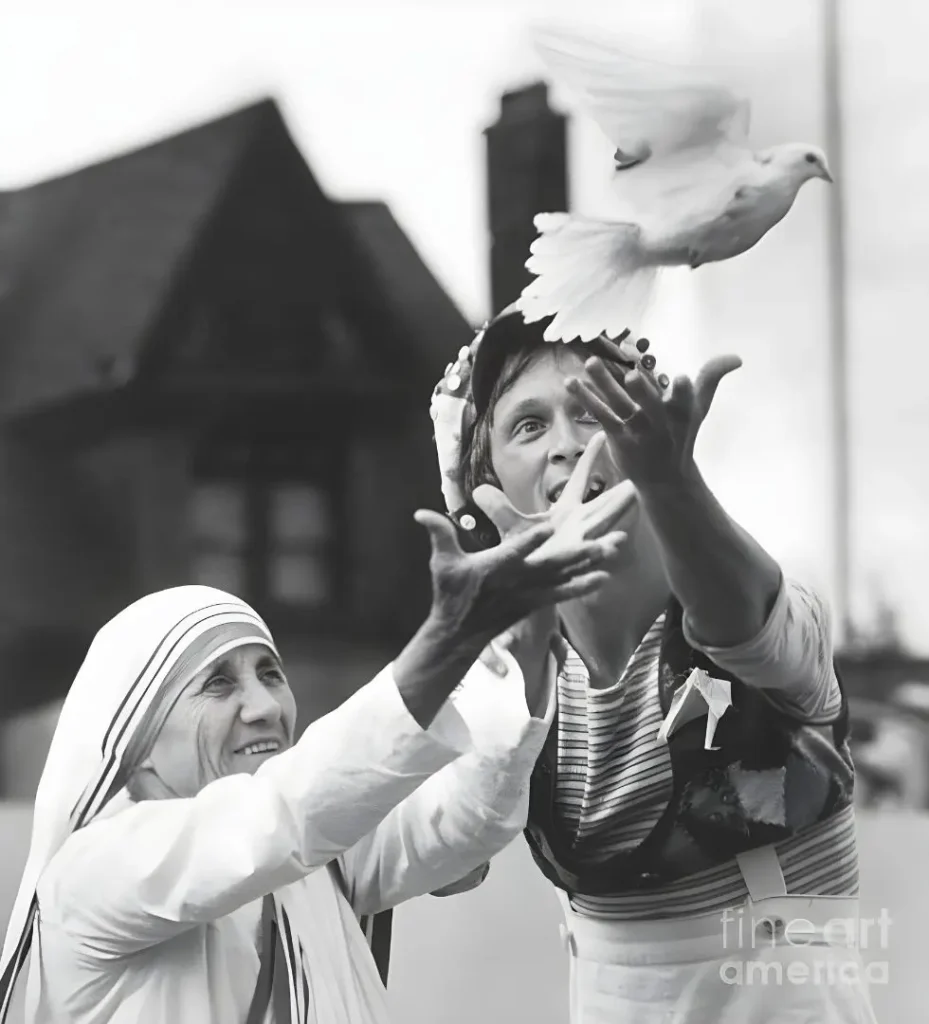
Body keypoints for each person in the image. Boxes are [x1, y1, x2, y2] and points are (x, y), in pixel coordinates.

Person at [0, 480, 631, 1024]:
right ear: (136, 741)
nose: (265, 706)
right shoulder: (90, 878)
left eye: (269, 674)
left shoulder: (317, 862)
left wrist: (524, 634)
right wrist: (448, 636)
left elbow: (460, 820)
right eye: (218, 683)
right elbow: (282, 818)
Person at [430, 307, 880, 1023]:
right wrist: (508, 656)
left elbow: (749, 632)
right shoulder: (502, 665)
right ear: (482, 483)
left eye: (592, 412)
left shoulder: (754, 606)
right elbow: (450, 864)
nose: (567, 446)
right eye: (528, 425)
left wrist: (670, 484)